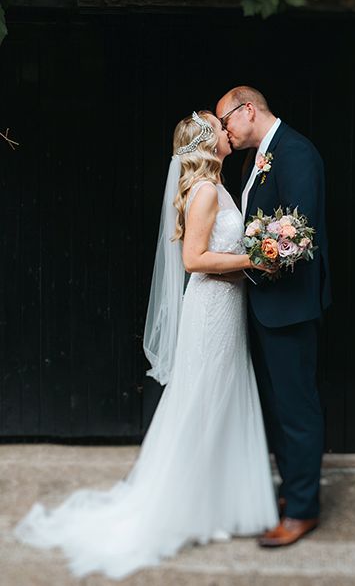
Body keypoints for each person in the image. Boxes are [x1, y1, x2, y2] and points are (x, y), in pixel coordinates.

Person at [13, 111, 279, 579]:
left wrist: (254, 263)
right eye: (219, 127)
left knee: (220, 399)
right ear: (206, 143)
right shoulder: (203, 192)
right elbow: (194, 259)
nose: (227, 130)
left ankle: (212, 503)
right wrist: (256, 257)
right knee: (203, 402)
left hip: (227, 305)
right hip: (211, 309)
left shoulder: (217, 187)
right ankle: (188, 507)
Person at [216, 86, 331, 547]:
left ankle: (303, 509)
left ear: (248, 110)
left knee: (297, 408)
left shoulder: (296, 152)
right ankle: (293, 491)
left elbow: (298, 232)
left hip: (289, 306)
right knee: (279, 406)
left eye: (226, 121)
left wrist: (250, 263)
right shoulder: (259, 157)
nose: (224, 131)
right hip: (265, 305)